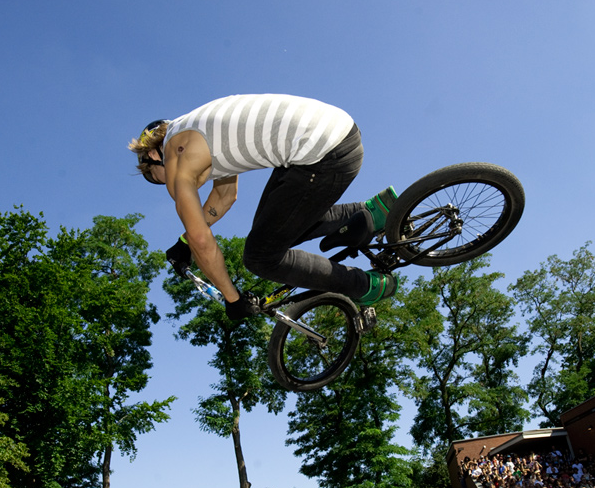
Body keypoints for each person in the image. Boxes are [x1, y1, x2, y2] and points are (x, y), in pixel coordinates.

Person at [130, 94, 398, 321]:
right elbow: (225, 195)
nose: (169, 184)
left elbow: (202, 240)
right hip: (336, 132)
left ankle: (366, 286)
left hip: (323, 155)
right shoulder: (197, 128)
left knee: (261, 257)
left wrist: (233, 299)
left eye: (156, 177)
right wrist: (184, 241)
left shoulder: (174, 157)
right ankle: (376, 213)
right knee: (269, 230)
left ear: (153, 155)